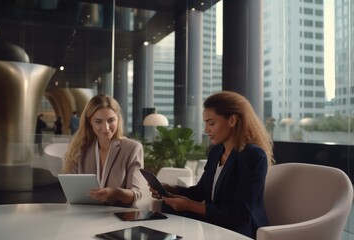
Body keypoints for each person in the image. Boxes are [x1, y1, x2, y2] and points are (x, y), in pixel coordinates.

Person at [149, 91, 275, 239]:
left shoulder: (253, 155)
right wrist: (171, 189)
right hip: (214, 223)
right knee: (168, 207)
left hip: (240, 229)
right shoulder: (216, 152)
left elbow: (241, 212)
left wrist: (189, 205)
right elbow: (200, 192)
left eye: (211, 123)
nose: (206, 130)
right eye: (205, 123)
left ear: (232, 120)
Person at [63, 94, 144, 207]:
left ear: (118, 119)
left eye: (111, 120)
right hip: (85, 215)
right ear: (90, 122)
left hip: (118, 217)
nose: (106, 128)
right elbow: (72, 194)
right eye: (98, 121)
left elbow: (136, 194)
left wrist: (116, 193)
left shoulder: (132, 148)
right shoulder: (80, 149)